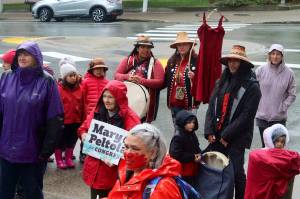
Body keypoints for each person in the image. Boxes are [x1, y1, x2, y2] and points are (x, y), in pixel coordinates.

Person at [0, 41, 64, 199]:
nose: (22, 57)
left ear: (36, 57)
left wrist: (46, 151)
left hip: (32, 153)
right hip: (6, 151)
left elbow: (55, 118)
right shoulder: (7, 77)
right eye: (20, 54)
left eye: (26, 54)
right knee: (4, 191)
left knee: (32, 192)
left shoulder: (47, 81)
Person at [204, 45, 261, 199]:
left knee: (236, 172)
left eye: (236, 61)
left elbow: (246, 116)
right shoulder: (221, 81)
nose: (232, 64)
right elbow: (211, 107)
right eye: (230, 60)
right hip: (218, 134)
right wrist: (209, 131)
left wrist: (226, 135)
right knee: (214, 168)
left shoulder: (252, 87)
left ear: (243, 64)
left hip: (237, 137)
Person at [78, 80, 140, 199]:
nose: (106, 100)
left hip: (115, 174)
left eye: (110, 97)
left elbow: (137, 147)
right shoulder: (97, 111)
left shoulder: (131, 119)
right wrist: (84, 135)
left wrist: (119, 156)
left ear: (119, 98)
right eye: (104, 96)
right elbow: (82, 128)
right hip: (95, 171)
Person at [107, 123, 182, 199]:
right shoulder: (126, 173)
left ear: (153, 153)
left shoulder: (163, 188)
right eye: (126, 147)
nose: (127, 153)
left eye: (135, 149)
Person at [114, 35, 165, 122]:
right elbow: (116, 75)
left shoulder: (155, 63)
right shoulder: (128, 60)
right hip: (128, 100)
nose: (146, 50)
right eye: (142, 47)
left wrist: (142, 81)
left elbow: (160, 82)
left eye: (148, 47)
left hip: (146, 103)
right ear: (137, 49)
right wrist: (127, 77)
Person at [255, 44, 296, 147]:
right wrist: (256, 105)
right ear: (269, 55)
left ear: (282, 56)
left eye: (278, 54)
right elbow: (253, 90)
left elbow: (292, 94)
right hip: (262, 116)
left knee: (278, 149)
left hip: (279, 118)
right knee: (265, 147)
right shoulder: (260, 70)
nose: (275, 56)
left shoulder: (289, 73)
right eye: (273, 54)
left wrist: (283, 107)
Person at [245, 124, 300, 199]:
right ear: (272, 141)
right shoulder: (262, 156)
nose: (279, 144)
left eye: (282, 142)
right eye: (277, 141)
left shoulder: (284, 156)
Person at [165, 32, 199, 124]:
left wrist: (194, 77)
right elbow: (165, 81)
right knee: (177, 131)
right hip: (174, 104)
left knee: (189, 131)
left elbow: (202, 82)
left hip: (190, 105)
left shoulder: (196, 60)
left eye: (184, 44)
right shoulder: (172, 61)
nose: (181, 47)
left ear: (190, 46)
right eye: (179, 45)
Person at [80, 58, 109, 163]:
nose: (99, 71)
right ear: (91, 70)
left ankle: (95, 152)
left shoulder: (106, 82)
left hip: (101, 112)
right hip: (89, 112)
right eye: (96, 69)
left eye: (101, 69)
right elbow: (82, 97)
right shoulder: (86, 82)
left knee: (97, 133)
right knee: (86, 132)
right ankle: (83, 153)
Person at [56, 59, 84, 169]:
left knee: (71, 140)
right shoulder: (58, 89)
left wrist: (82, 118)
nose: (73, 78)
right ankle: (59, 159)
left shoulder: (80, 89)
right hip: (63, 120)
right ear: (64, 77)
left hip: (75, 120)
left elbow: (82, 104)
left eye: (74, 75)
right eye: (70, 76)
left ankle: (68, 158)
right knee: (60, 140)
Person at [169, 110, 201, 188]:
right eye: (189, 123)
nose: (192, 125)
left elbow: (196, 146)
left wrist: (199, 154)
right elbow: (175, 155)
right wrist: (193, 157)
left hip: (192, 169)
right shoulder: (178, 137)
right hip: (183, 171)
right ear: (182, 123)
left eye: (193, 123)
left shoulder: (191, 133)